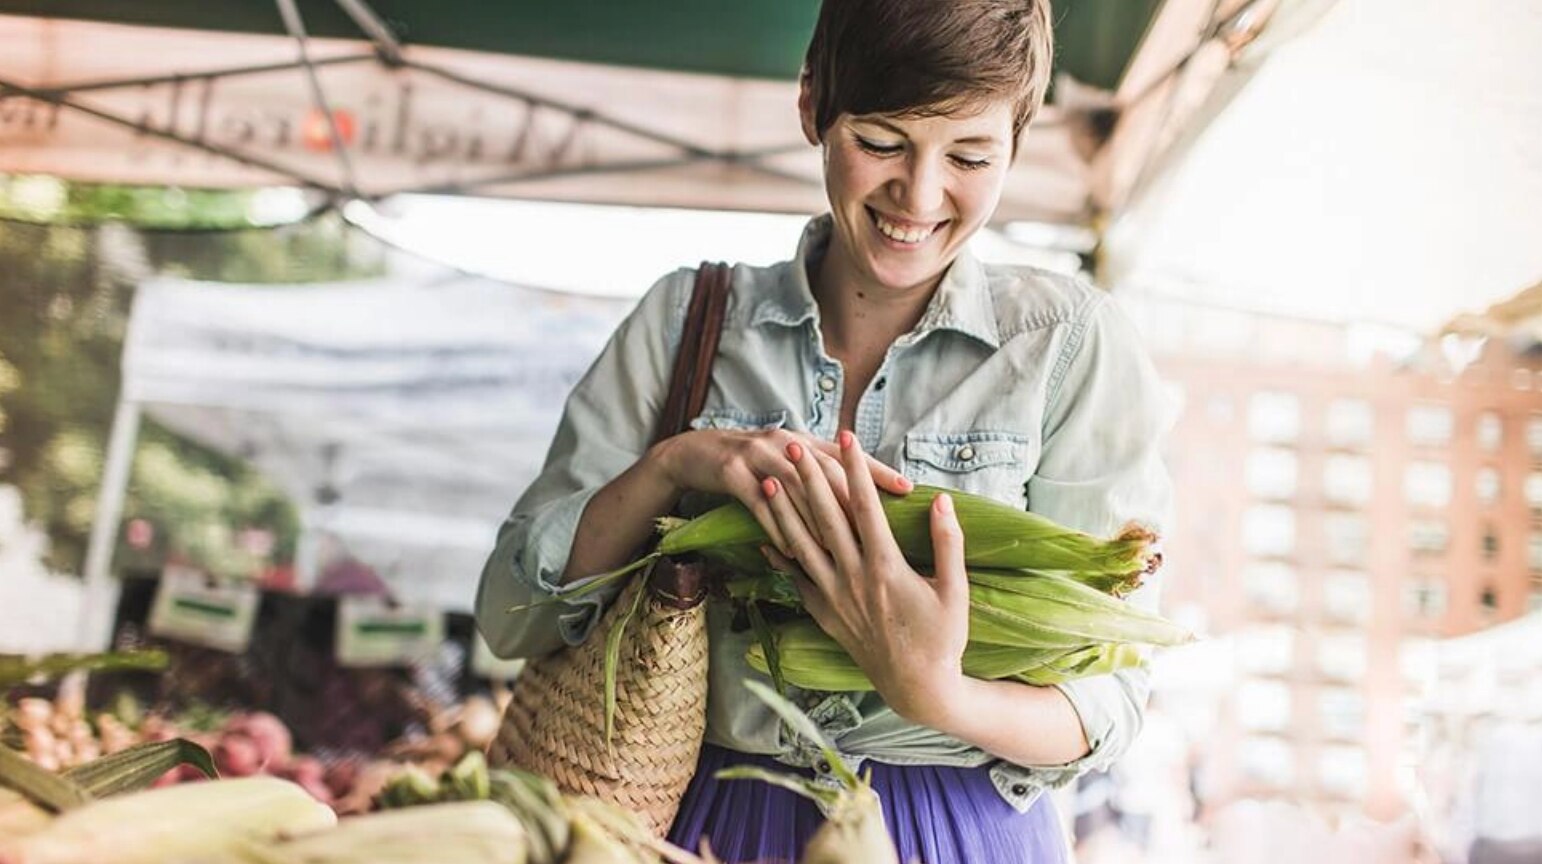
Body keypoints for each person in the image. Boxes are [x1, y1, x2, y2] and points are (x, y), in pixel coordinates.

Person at [475, 0, 1174, 860]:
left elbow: (1112, 699)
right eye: (881, 141)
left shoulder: (1067, 346)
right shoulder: (686, 322)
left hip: (958, 830)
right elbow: (510, 618)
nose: (919, 196)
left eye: (969, 155)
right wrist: (671, 469)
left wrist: (935, 693)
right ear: (813, 106)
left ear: (1016, 144)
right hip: (700, 824)